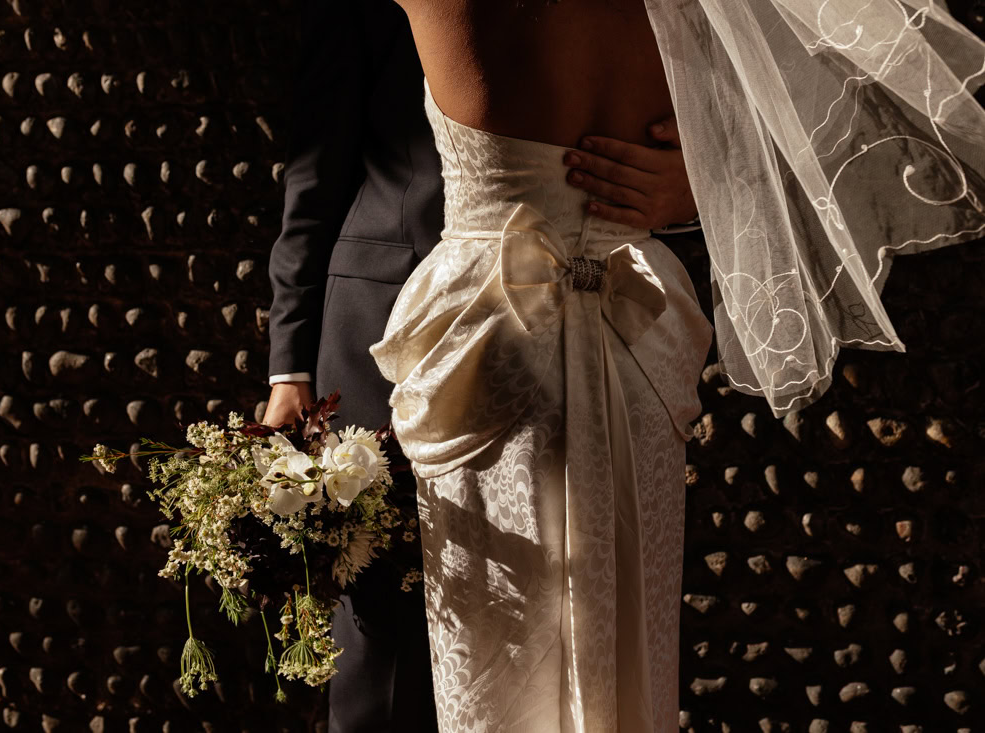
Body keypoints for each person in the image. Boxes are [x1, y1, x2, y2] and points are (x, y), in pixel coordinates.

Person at [371, 0, 985, 731]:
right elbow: (811, 87)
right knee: (638, 643)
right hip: (641, 325)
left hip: (493, 331)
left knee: (496, 649)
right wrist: (705, 176)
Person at [262, 1, 706, 730]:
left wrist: (698, 183)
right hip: (402, 332)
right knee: (386, 647)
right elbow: (315, 165)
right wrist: (291, 367)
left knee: (558, 627)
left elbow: (745, 119)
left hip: (520, 327)